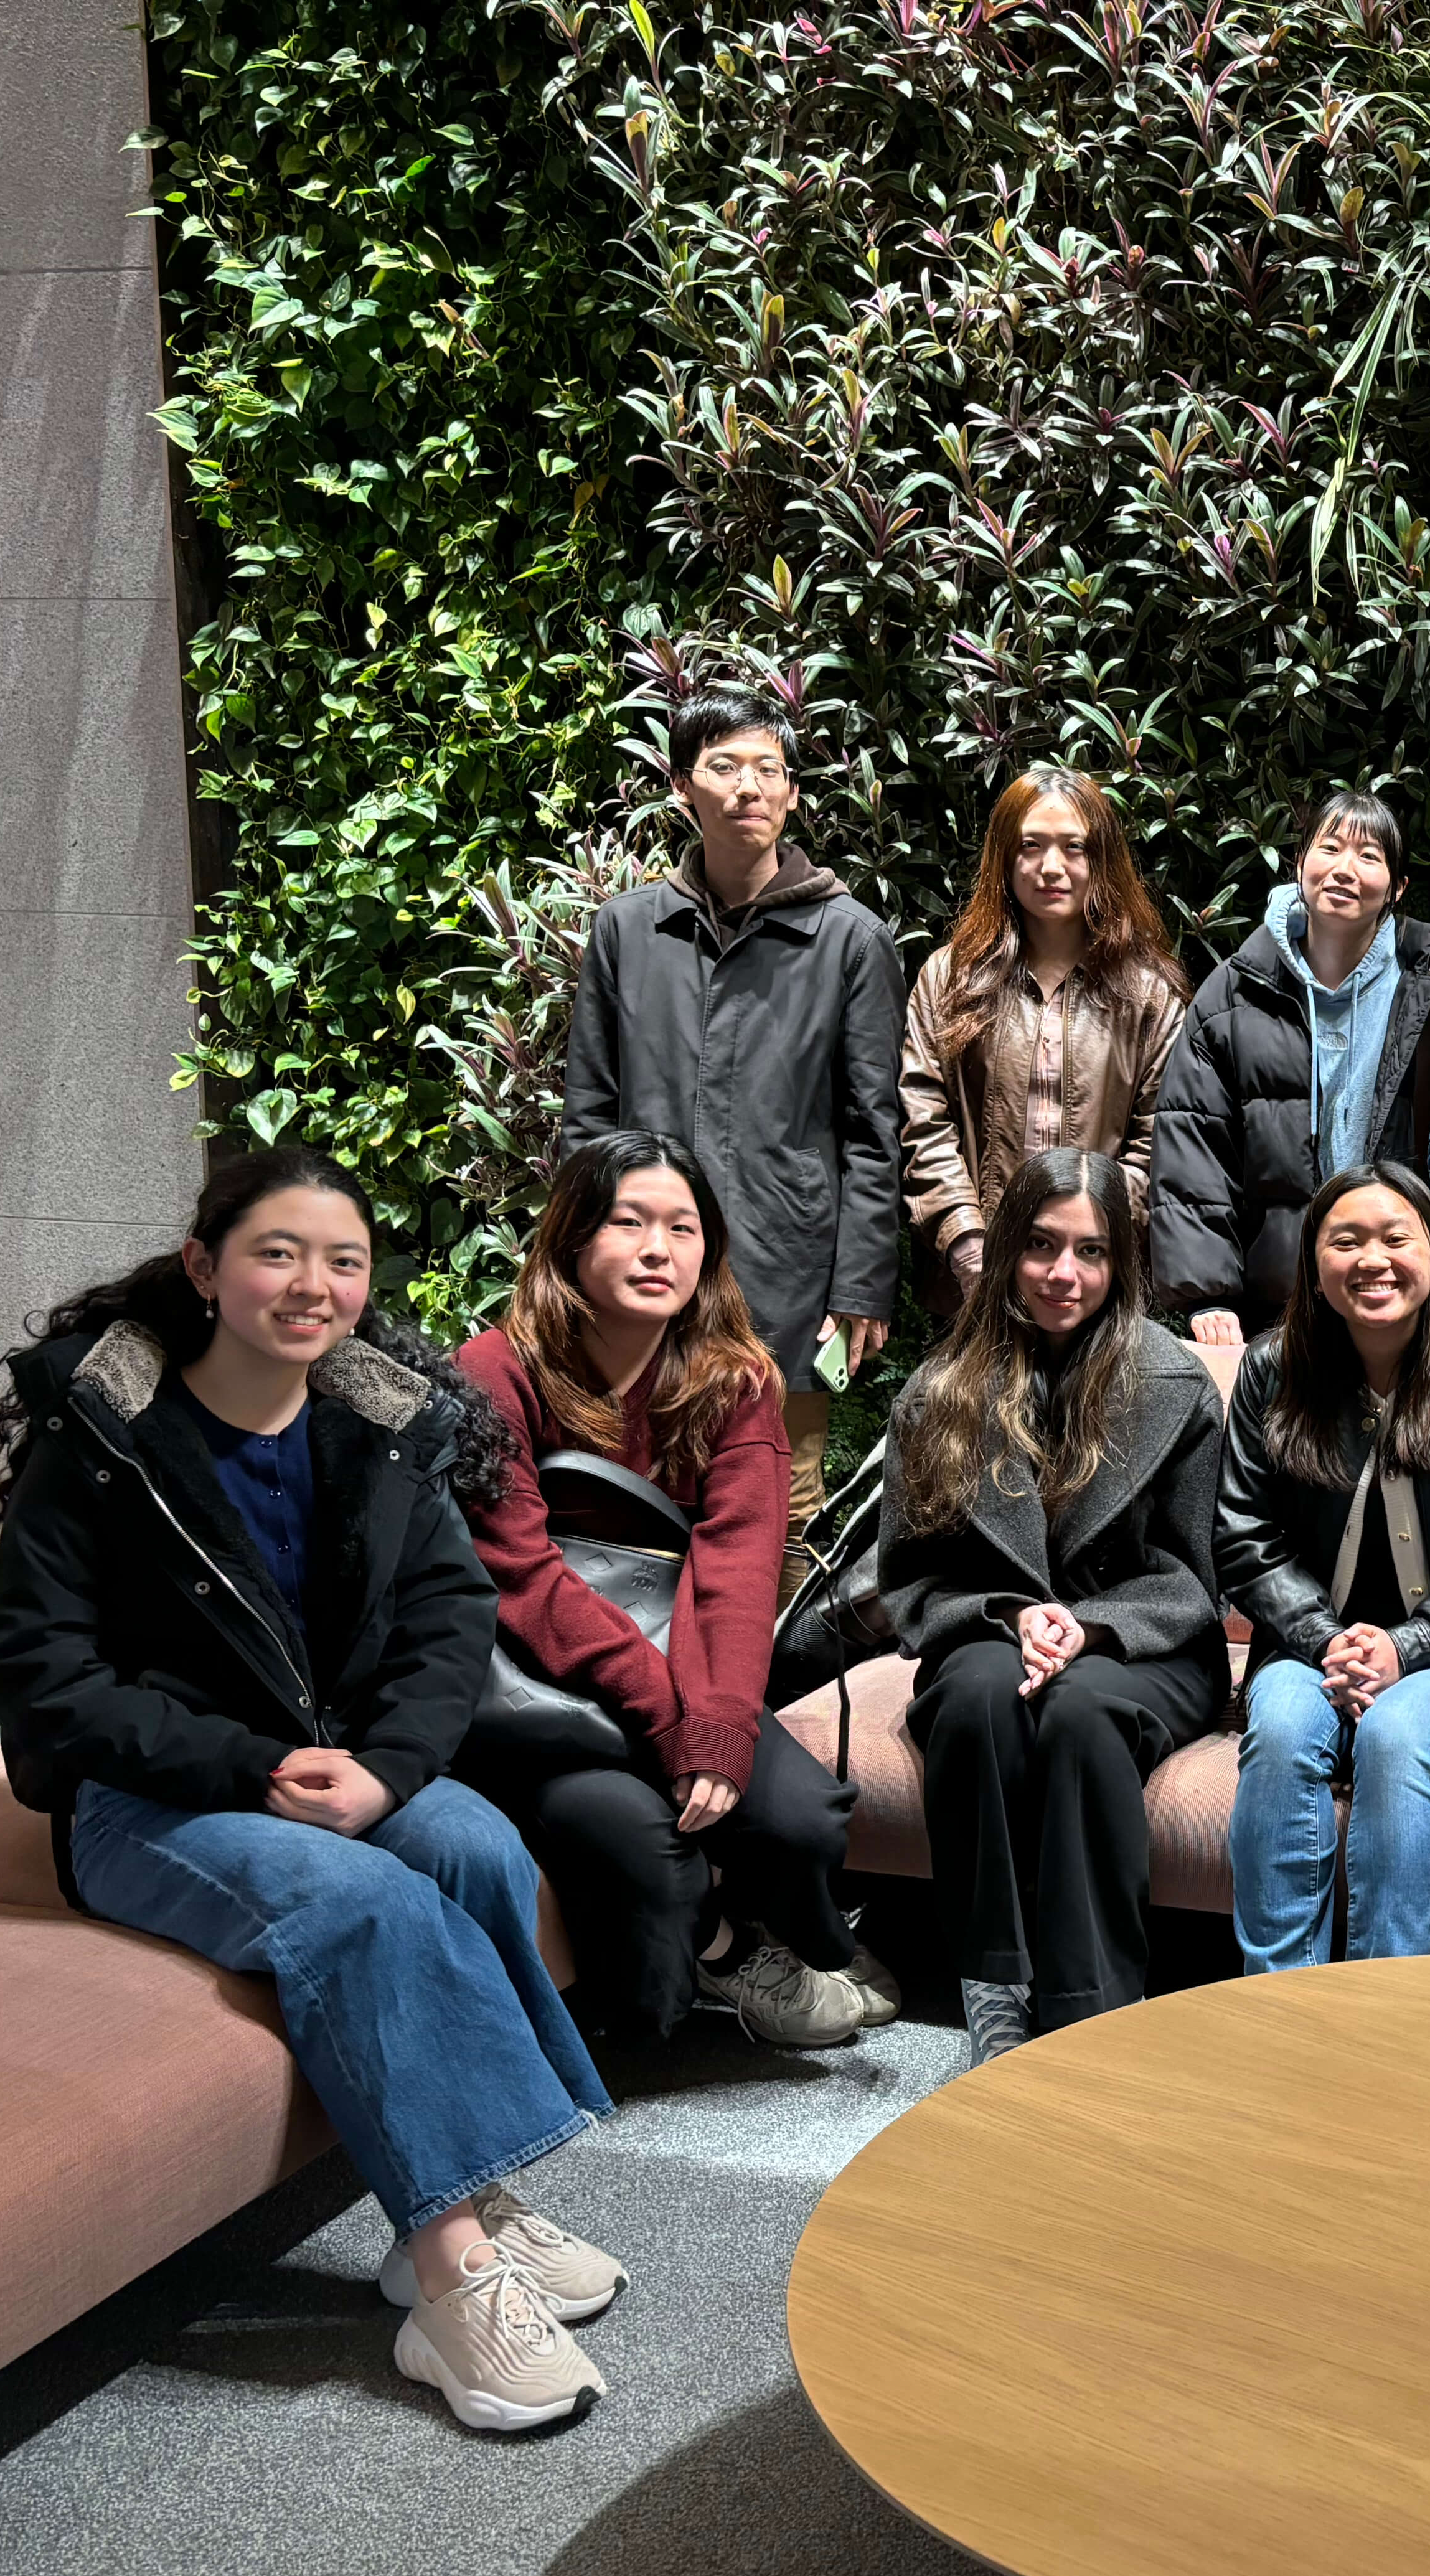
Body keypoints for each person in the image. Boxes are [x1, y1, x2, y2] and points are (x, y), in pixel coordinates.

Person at [0, 1148, 624, 2433]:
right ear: (207, 1269)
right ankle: (448, 2275)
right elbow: (38, 1673)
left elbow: (450, 1616)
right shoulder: (106, 1439)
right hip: (148, 1797)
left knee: (476, 1847)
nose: (311, 1285)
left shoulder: (375, 1428)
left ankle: (473, 2190)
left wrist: (385, 1773)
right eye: (277, 1253)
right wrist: (247, 1767)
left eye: (342, 1261)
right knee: (362, 1907)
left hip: (330, 1767)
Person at [455, 1132, 873, 2053]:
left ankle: (781, 1941)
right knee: (647, 1849)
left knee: (801, 1822)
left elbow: (737, 1570)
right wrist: (668, 1721)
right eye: (629, 1222)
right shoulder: (495, 1369)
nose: (659, 1249)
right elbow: (522, 1577)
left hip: (680, 1668)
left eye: (683, 1228)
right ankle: (721, 1956)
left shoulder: (738, 1380)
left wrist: (718, 1730)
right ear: (571, 1241)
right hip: (541, 1697)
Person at [880, 1148, 1230, 2065]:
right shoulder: (940, 1389)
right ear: (1006, 1251)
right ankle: (996, 1984)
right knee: (978, 1699)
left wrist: (1094, 1624)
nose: (1063, 1275)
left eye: (1090, 1251)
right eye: (1040, 1246)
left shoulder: (1176, 1383)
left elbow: (1199, 1577)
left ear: (1122, 1264)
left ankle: (1091, 2008)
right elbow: (911, 1574)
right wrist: (1008, 1612)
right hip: (989, 1630)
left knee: (1080, 1711)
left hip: (1144, 1644)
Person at [565, 687, 906, 1596]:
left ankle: (771, 1709)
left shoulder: (851, 940)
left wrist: (862, 1280)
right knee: (633, 1488)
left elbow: (876, 1127)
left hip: (787, 1266)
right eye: (724, 766)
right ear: (684, 787)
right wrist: (576, 1253)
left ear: (792, 794)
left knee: (780, 1506)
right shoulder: (628, 932)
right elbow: (588, 1112)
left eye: (767, 769)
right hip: (641, 1262)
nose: (747, 787)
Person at [1216, 1164, 1430, 1967]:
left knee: (1397, 1735)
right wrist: (1327, 1638)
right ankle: (1273, 2004)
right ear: (1315, 1267)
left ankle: (1394, 2012)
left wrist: (1409, 1646)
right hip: (1308, 1652)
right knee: (1286, 1724)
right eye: (1347, 1241)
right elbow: (1242, 1538)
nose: (1374, 1260)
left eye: (1396, 1238)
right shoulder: (1272, 1372)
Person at [1151, 789, 1430, 1343]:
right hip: (1271, 1309)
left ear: (1397, 889)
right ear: (1300, 864)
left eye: (1369, 856)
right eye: (1331, 847)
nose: (1345, 869)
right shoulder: (1234, 991)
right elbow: (1195, 1141)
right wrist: (1208, 1294)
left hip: (1399, 1302)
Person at [900, 766, 1192, 1302]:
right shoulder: (951, 977)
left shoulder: (1147, 993)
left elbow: (1162, 1139)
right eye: (1030, 845)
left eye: (1074, 847)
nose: (1050, 868)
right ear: (1004, 858)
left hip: (1098, 1283)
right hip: (974, 1281)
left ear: (1100, 859)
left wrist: (1085, 1244)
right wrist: (968, 1239)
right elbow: (923, 1116)